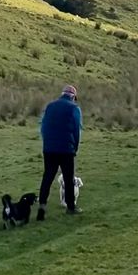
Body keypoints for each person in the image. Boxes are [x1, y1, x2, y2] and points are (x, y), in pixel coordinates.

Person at [37, 85, 83, 220]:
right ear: (73, 96)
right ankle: (70, 207)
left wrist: (47, 142)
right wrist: (75, 147)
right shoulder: (74, 108)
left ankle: (42, 206)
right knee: (68, 178)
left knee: (47, 177)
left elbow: (43, 126)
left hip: (49, 148)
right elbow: (76, 130)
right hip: (66, 149)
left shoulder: (50, 106)